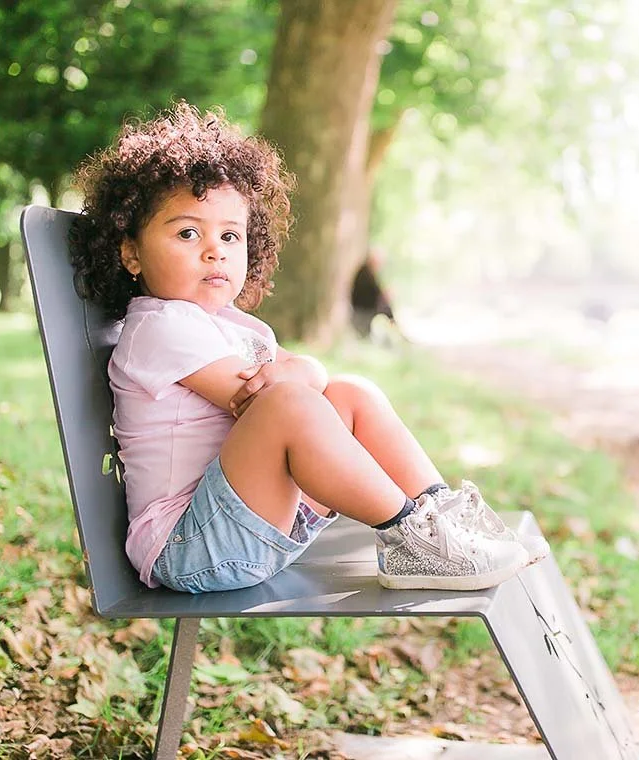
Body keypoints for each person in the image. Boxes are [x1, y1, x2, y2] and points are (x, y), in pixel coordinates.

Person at [67, 102, 548, 594]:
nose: (215, 250)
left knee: (352, 394)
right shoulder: (160, 327)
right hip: (191, 546)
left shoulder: (231, 324)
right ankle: (411, 536)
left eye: (230, 236)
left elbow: (302, 380)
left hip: (253, 524)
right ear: (130, 252)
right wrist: (299, 377)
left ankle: (442, 523)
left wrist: (306, 373)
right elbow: (267, 400)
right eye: (188, 233)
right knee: (290, 400)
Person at [350, 247, 403, 341]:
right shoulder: (364, 274)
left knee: (387, 307)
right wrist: (384, 296)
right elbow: (371, 295)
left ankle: (395, 327)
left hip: (366, 310)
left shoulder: (369, 274)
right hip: (362, 312)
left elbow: (376, 292)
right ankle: (395, 328)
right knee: (386, 306)